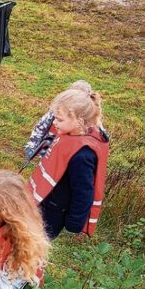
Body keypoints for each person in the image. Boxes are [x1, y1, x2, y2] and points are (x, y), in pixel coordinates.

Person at [27, 86, 110, 239]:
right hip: (45, 202)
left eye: (59, 119)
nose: (55, 123)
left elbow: (84, 191)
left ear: (79, 121)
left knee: (36, 244)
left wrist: (74, 222)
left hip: (54, 211)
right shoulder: (68, 134)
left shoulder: (82, 156)